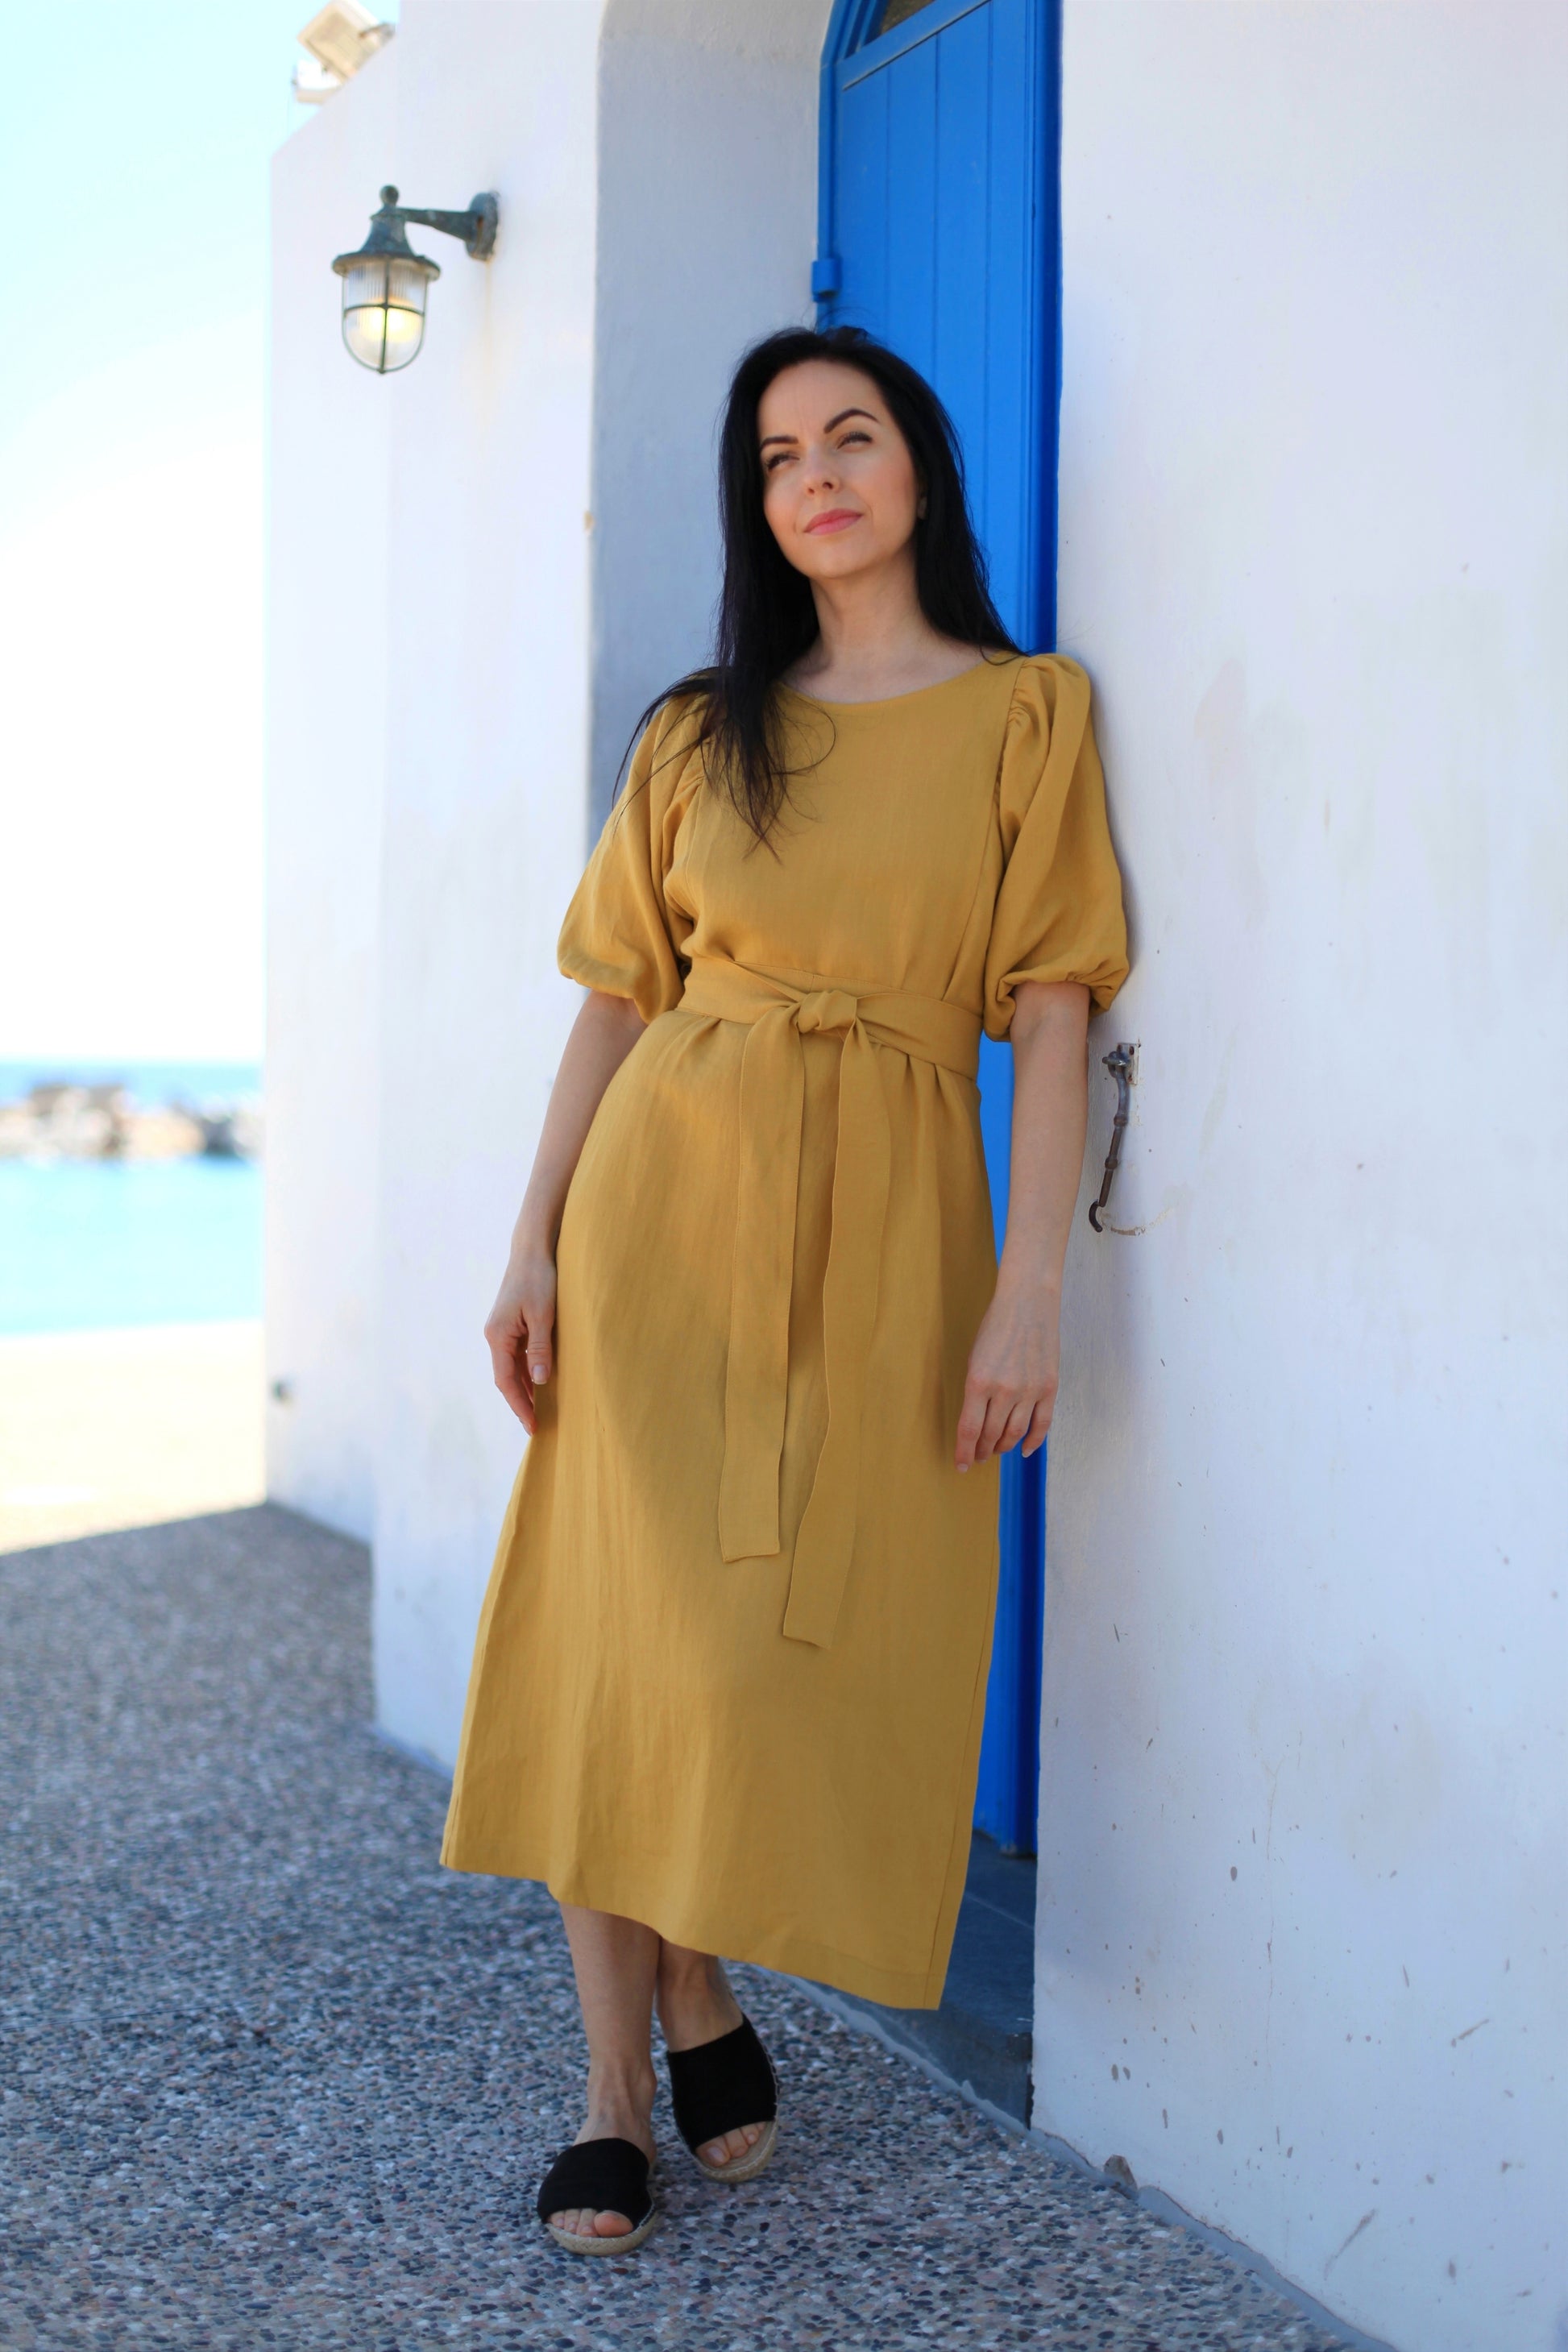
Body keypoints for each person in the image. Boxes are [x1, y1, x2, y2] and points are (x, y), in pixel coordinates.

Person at [439, 325, 1130, 2255]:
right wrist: (526, 1240)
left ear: (917, 463)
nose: (815, 473)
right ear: (756, 505)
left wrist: (1028, 1291)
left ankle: (698, 1976)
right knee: (620, 1636)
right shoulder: (694, 727)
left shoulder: (1026, 714)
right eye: (774, 454)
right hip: (661, 1204)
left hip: (893, 1218)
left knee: (767, 1652)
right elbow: (612, 1004)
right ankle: (608, 2088)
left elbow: (1057, 1007)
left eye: (851, 435)